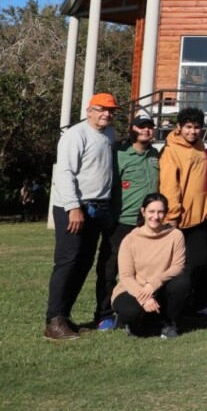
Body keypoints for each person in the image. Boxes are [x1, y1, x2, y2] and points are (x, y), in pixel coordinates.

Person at [44, 93, 117, 341]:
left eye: (111, 110)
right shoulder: (75, 135)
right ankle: (53, 320)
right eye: (101, 109)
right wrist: (73, 207)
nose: (106, 114)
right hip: (73, 207)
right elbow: (64, 172)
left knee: (84, 262)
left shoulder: (109, 135)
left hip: (98, 208)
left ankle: (65, 317)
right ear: (89, 110)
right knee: (68, 261)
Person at [95, 111, 160, 330]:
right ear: (132, 129)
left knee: (147, 271)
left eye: (149, 126)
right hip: (121, 222)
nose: (146, 130)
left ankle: (138, 311)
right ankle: (104, 314)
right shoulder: (119, 153)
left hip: (148, 225)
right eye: (141, 126)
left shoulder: (155, 155)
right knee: (109, 269)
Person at [157, 106, 207, 315]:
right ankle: (173, 308)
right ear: (179, 127)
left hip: (200, 215)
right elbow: (169, 186)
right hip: (179, 219)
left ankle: (196, 305)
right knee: (179, 267)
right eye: (188, 127)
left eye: (197, 127)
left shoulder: (200, 146)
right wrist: (172, 216)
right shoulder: (170, 150)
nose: (192, 131)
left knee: (201, 262)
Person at [111, 193, 188, 338]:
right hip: (133, 289)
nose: (156, 216)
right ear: (143, 212)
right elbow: (126, 276)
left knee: (182, 282)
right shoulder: (130, 240)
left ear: (165, 213)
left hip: (160, 287)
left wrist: (154, 283)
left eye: (160, 212)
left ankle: (167, 323)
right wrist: (144, 297)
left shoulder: (175, 235)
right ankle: (135, 325)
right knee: (130, 311)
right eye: (151, 211)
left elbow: (178, 266)